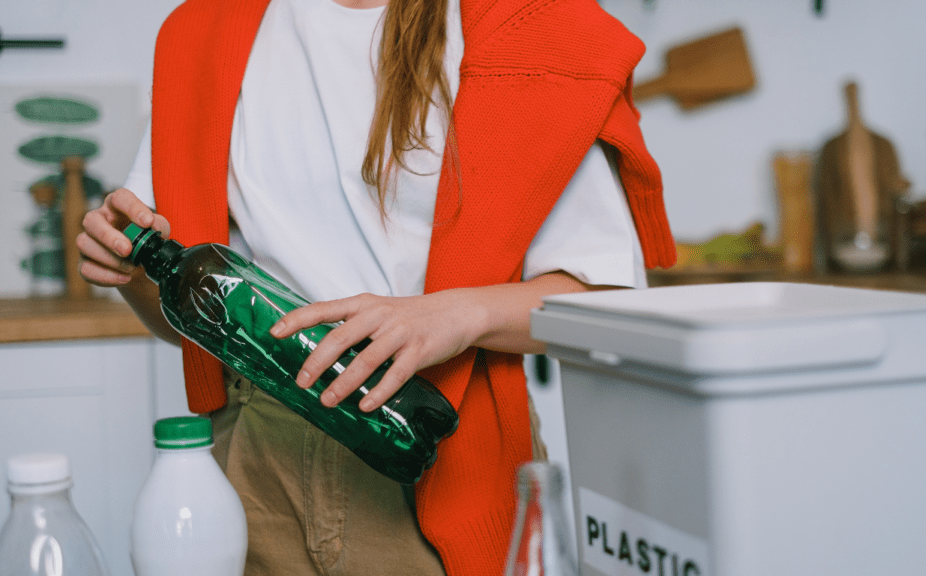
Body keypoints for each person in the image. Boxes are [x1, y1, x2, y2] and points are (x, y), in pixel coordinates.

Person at [77, 0, 675, 574]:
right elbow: (192, 317)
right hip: (256, 458)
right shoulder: (201, 33)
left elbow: (605, 301)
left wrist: (455, 315)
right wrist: (130, 272)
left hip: (437, 439)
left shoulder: (526, 28)